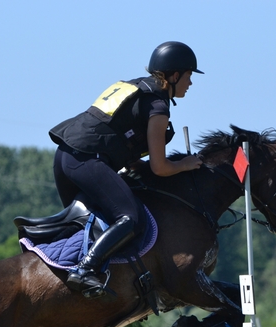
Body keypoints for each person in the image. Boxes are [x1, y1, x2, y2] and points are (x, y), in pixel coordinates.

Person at [49, 41, 204, 298]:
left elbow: (116, 136)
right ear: (174, 75)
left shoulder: (134, 86)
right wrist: (186, 164)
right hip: (87, 160)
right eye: (188, 76)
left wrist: (135, 164)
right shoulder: (158, 105)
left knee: (87, 226)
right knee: (131, 219)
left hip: (65, 156)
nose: (190, 83)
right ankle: (85, 270)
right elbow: (161, 168)